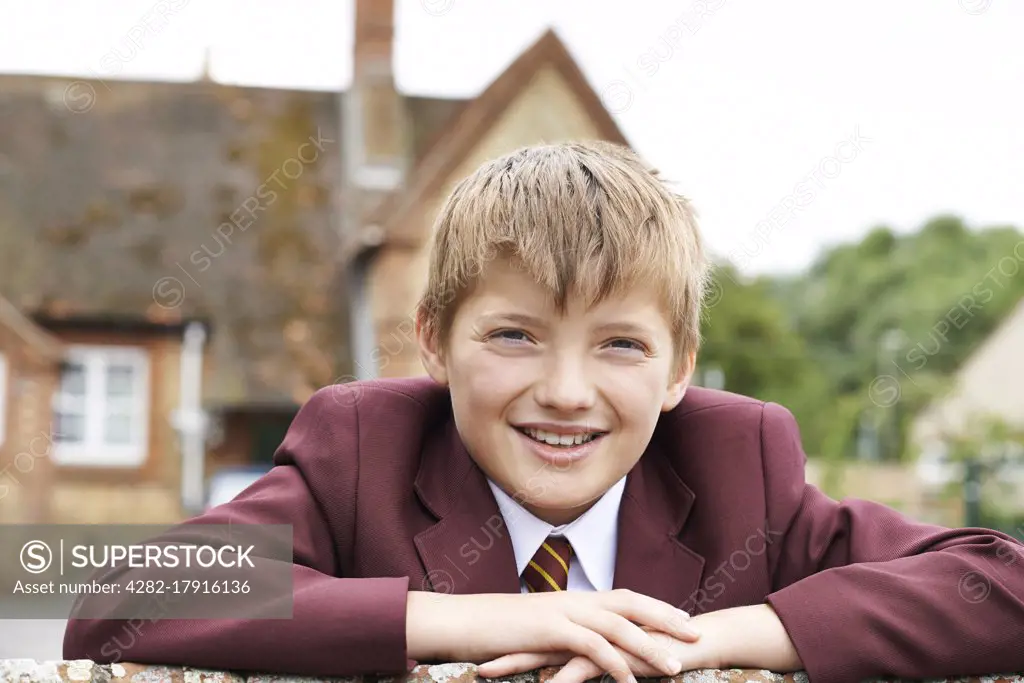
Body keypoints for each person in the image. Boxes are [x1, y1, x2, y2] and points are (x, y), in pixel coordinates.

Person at [64, 141, 1024, 683]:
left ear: (680, 367)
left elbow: (1001, 579)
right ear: (434, 339)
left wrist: (714, 637)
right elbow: (116, 600)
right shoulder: (362, 445)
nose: (567, 391)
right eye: (515, 336)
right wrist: (466, 620)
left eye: (621, 344)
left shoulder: (740, 461)